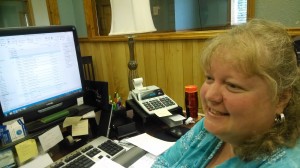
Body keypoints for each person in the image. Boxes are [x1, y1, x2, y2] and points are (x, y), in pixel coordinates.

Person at [151, 19, 300, 167]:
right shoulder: (213, 126)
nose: (210, 96)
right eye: (209, 78)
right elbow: (163, 163)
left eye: (232, 85)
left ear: (280, 99)